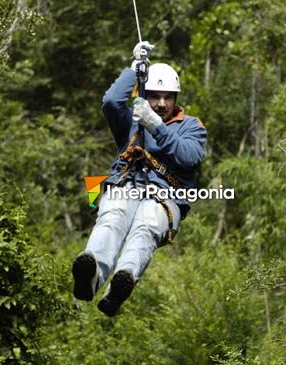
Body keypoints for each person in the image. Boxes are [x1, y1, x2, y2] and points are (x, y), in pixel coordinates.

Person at [72, 41, 207, 316]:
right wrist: (134, 69)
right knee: (112, 217)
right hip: (125, 184)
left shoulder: (191, 126)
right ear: (145, 94)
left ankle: (122, 282)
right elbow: (110, 102)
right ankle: (93, 272)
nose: (160, 103)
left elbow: (189, 157)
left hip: (164, 197)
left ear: (175, 98)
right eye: (154, 96)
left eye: (167, 97)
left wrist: (155, 126)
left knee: (147, 227)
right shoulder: (132, 119)